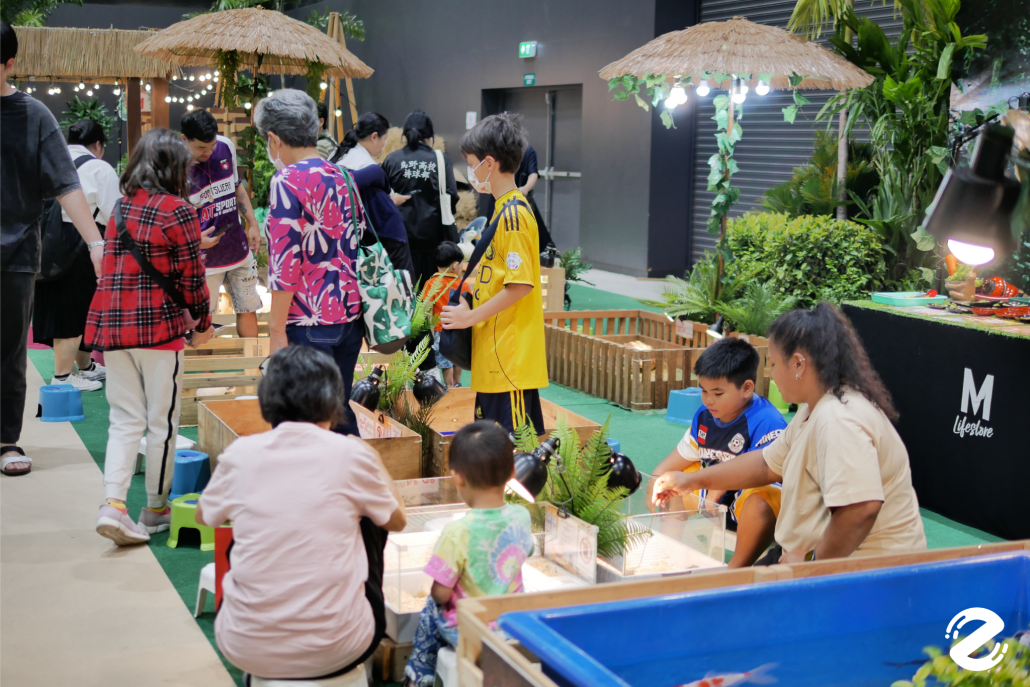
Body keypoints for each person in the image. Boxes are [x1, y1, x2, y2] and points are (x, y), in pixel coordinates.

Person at [653, 303, 928, 562]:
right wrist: (691, 480)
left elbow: (861, 508)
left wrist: (813, 568)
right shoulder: (815, 408)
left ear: (798, 364)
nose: (771, 373)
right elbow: (765, 464)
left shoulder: (838, 419)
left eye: (773, 363)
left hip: (862, 574)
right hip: (804, 557)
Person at [198, 345, 407, 683]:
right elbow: (397, 520)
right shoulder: (350, 454)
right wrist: (373, 458)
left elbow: (205, 517)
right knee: (371, 516)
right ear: (333, 400)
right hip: (343, 646)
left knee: (243, 524)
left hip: (245, 646)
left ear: (267, 399)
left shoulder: (242, 453)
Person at [88, 128, 213, 545]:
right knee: (162, 422)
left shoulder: (121, 207)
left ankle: (113, 505)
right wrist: (203, 323)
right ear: (174, 166)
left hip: (114, 326)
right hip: (159, 329)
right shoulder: (179, 210)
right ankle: (156, 509)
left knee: (124, 419)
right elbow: (193, 279)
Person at [1, 21, 106, 477]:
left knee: (9, 354)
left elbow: (67, 185)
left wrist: (96, 243)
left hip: (16, 255)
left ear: (9, 64)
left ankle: (6, 441)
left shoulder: (33, 116)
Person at [256, 89, 365, 436]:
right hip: (349, 318)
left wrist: (276, 332)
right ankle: (352, 469)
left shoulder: (286, 181)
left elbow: (285, 264)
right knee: (338, 413)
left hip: (307, 319)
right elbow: (358, 235)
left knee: (305, 423)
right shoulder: (343, 175)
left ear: (274, 138)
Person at [404, 421, 534, 687]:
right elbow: (527, 551)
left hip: (469, 632)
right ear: (512, 472)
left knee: (430, 606)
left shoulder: (457, 532)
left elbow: (440, 594)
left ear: (458, 477)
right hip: (512, 626)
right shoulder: (521, 516)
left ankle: (419, 673)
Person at [441, 113, 548, 435]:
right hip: (495, 356)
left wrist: (468, 318)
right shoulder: (503, 209)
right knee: (493, 449)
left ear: (489, 163)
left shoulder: (513, 215)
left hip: (509, 360)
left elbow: (520, 285)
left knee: (510, 451)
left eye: (471, 163)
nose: (470, 172)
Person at [648, 338, 787, 568]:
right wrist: (656, 479)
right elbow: (674, 462)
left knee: (760, 502)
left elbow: (765, 470)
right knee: (670, 482)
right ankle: (667, 555)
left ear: (747, 388)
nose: (708, 400)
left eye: (718, 393)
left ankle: (735, 570)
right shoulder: (705, 416)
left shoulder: (767, 421)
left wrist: (719, 484)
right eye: (704, 391)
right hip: (712, 501)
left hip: (753, 507)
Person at [33, 119, 121, 393]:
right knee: (74, 310)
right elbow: (114, 213)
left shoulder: (48, 162)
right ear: (98, 145)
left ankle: (85, 366)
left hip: (44, 243)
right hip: (82, 243)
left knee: (69, 307)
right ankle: (62, 377)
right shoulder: (99, 168)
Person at [180, 109, 262, 338]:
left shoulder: (225, 146)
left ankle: (253, 361)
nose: (208, 152)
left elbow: (236, 186)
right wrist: (194, 241)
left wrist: (252, 222)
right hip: (202, 258)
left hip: (237, 247)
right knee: (201, 322)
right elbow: (169, 220)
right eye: (201, 148)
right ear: (184, 139)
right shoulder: (174, 168)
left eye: (212, 146)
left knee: (248, 308)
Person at [382, 110, 459, 289]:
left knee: (403, 291)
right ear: (430, 136)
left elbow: (382, 198)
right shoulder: (440, 160)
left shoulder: (392, 160)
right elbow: (451, 195)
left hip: (400, 242)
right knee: (431, 293)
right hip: (434, 243)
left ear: (405, 134)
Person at [332, 112, 415, 276]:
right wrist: (392, 196)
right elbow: (375, 174)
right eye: (384, 139)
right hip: (385, 236)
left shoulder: (339, 154)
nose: (384, 146)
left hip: (362, 235)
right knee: (400, 283)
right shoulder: (365, 165)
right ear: (374, 137)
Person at [421, 241, 472, 388]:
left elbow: (426, 308)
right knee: (458, 357)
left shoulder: (431, 283)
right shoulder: (462, 284)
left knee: (445, 360)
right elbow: (469, 304)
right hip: (460, 329)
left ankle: (448, 386)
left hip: (441, 330)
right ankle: (457, 383)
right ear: (455, 266)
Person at [514, 144, 556, 250]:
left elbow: (533, 174)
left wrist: (525, 188)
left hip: (521, 199)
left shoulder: (527, 151)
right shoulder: (497, 150)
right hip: (500, 199)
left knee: (533, 236)